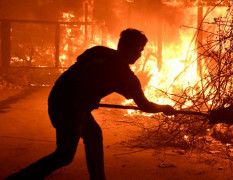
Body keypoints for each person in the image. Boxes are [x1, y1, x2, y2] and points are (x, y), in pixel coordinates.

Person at [6, 28, 175, 180]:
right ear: (130, 48)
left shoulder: (99, 51)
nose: (140, 54)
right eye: (140, 49)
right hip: (71, 109)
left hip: (59, 97)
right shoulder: (125, 75)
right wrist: (164, 108)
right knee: (64, 155)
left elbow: (84, 70)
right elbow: (144, 105)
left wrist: (91, 97)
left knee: (93, 134)